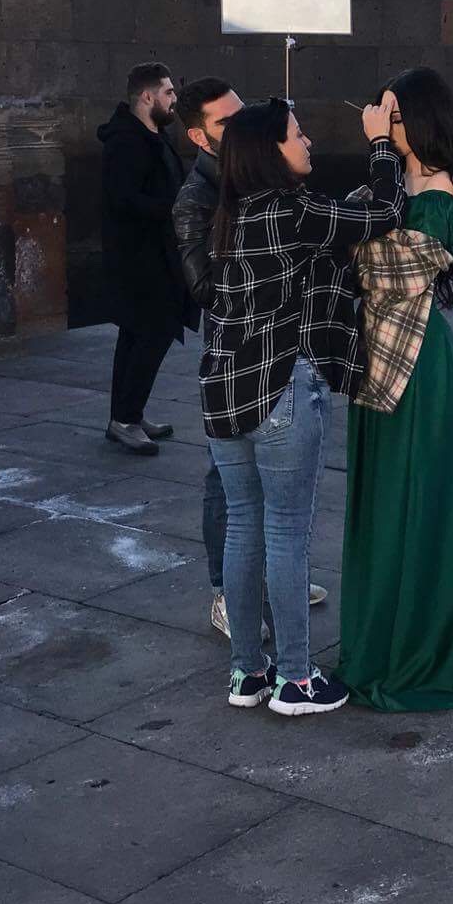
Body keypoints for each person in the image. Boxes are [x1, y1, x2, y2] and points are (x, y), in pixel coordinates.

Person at [203, 95, 404, 716]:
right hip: (281, 390)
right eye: (297, 134)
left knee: (243, 527)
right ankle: (295, 678)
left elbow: (337, 223)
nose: (308, 141)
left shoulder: (231, 215)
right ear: (271, 151)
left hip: (223, 391)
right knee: (286, 534)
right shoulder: (292, 211)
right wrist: (381, 145)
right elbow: (386, 212)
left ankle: (247, 674)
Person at [341, 67, 453, 710]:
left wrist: (376, 161)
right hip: (377, 358)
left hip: (416, 363)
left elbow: (387, 271)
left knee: (415, 500)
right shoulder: (391, 185)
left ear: (418, 118)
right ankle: (377, 642)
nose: (382, 126)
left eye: (392, 115)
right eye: (379, 115)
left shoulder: (438, 188)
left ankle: (413, 650)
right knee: (382, 501)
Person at [170, 76, 327, 637]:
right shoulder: (197, 198)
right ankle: (225, 591)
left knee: (280, 493)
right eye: (225, 123)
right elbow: (204, 289)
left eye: (242, 116)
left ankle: (272, 581)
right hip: (236, 358)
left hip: (284, 352)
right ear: (199, 136)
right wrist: (258, 261)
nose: (240, 129)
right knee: (229, 485)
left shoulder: (259, 174)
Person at [97, 61, 196, 455]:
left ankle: (126, 416)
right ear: (146, 96)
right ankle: (125, 418)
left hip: (159, 255)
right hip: (140, 261)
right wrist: (172, 209)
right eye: (168, 92)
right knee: (151, 335)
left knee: (138, 336)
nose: (174, 99)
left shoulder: (154, 135)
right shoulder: (126, 142)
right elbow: (123, 200)